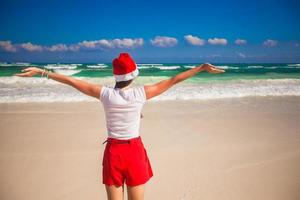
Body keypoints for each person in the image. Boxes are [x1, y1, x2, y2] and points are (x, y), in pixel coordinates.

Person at [14, 53, 225, 200]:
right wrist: (201, 68)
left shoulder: (105, 94)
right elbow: (173, 80)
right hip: (134, 152)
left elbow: (71, 81)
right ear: (133, 75)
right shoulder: (141, 94)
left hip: (114, 152)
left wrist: (41, 72)